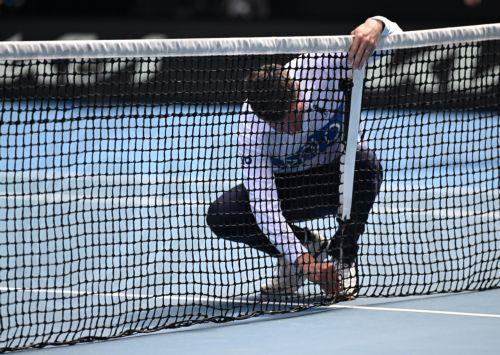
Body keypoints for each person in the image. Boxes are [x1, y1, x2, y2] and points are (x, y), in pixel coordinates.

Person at [207, 16, 402, 297]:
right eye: (283, 125)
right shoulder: (252, 129)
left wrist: (378, 25)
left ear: (297, 91)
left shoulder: (326, 65)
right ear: (266, 119)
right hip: (290, 190)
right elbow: (265, 207)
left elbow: (396, 37)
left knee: (367, 164)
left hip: (339, 177)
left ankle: (342, 257)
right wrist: (306, 262)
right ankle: (305, 248)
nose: (294, 127)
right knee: (224, 215)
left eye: (296, 114)